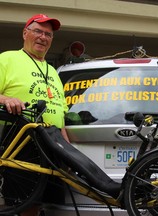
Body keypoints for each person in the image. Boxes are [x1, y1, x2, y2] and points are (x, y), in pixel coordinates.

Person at [0, 14, 69, 216]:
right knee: (24, 203)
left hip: (53, 142)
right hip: (23, 139)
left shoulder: (53, 71)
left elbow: (60, 111)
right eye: (38, 31)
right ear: (25, 33)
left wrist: (66, 147)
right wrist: (6, 100)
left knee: (49, 203)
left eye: (48, 34)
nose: (43, 37)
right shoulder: (8, 58)